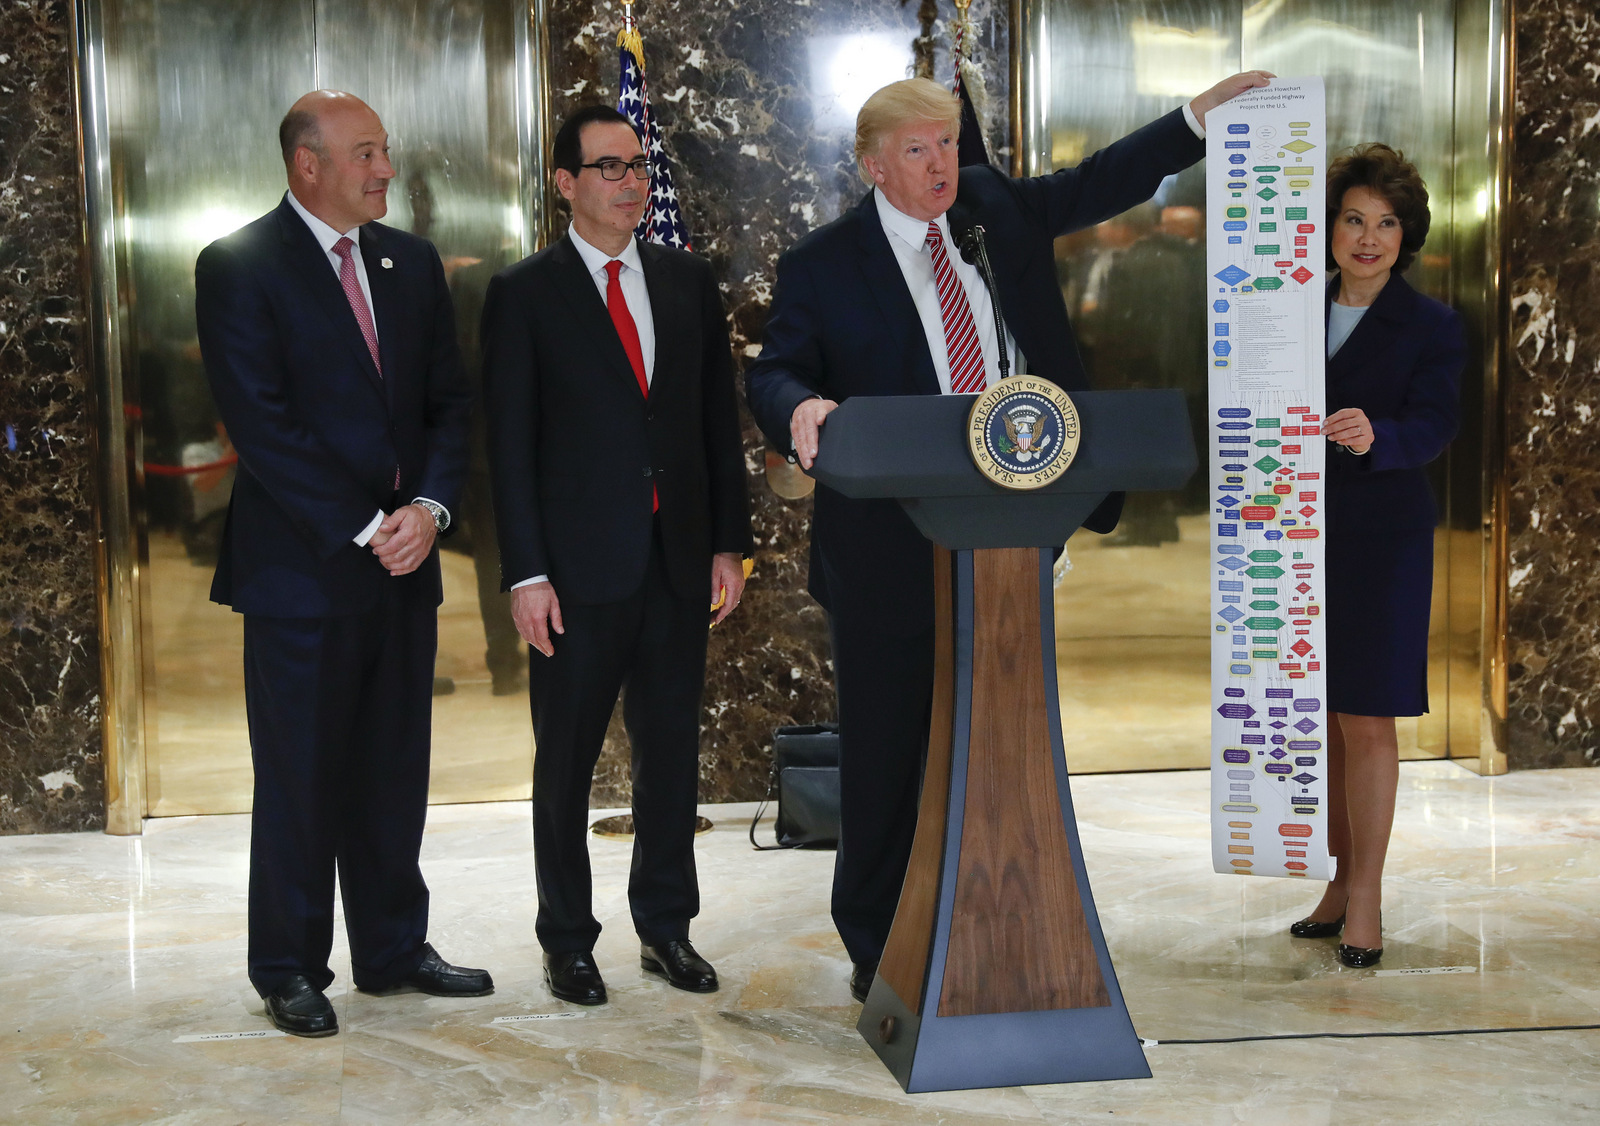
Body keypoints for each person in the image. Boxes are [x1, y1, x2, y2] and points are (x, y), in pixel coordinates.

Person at [745, 72, 1272, 1001]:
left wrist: (1196, 119)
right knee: (887, 756)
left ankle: (1000, 914)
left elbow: (1103, 181)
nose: (943, 163)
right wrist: (803, 407)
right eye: (918, 149)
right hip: (885, 550)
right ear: (873, 165)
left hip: (1014, 530)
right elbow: (777, 368)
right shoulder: (825, 263)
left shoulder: (990, 210)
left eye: (947, 143)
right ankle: (879, 943)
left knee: (1001, 741)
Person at [194, 91, 491, 1037]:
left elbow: (449, 401)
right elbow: (263, 426)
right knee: (301, 774)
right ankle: (288, 964)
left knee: (394, 767)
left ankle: (394, 949)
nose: (385, 169)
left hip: (406, 560)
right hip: (303, 570)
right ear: (306, 164)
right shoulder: (239, 265)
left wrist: (431, 511)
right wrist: (370, 524)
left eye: (386, 151)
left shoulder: (410, 263)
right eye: (365, 153)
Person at [480, 105, 753, 1007]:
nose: (631, 181)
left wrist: (728, 543)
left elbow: (716, 422)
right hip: (575, 576)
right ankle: (567, 939)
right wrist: (525, 574)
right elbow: (508, 449)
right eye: (609, 167)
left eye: (638, 166)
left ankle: (666, 928)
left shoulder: (684, 281)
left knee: (670, 757)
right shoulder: (524, 294)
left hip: (677, 565)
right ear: (565, 183)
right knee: (564, 763)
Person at [1290, 143, 1464, 967]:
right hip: (1292, 536)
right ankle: (1336, 877)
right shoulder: (1286, 309)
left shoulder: (1430, 325)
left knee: (1366, 718)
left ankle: (1368, 896)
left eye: (1386, 223)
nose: (1368, 238)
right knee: (1321, 720)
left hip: (1381, 536)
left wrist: (1379, 436)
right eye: (1354, 219)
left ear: (1407, 236)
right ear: (1327, 229)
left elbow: (1436, 425)